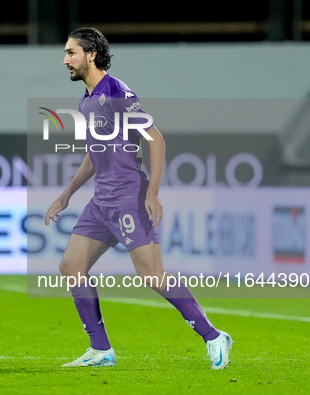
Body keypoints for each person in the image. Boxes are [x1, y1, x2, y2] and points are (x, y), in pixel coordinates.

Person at [43, 27, 233, 369]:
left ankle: (214, 337)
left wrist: (152, 192)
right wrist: (67, 194)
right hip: (101, 201)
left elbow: (155, 140)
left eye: (71, 53)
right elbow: (94, 152)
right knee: (71, 267)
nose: (65, 60)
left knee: (153, 276)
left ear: (91, 54)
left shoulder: (116, 92)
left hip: (129, 197)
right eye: (65, 53)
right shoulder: (86, 100)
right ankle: (101, 350)